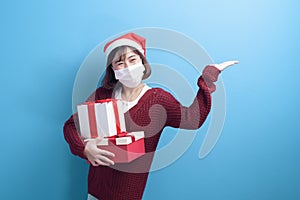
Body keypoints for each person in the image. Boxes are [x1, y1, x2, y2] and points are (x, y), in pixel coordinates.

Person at [63, 32, 238, 200]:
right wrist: (84, 148)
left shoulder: (158, 100)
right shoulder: (102, 94)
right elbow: (71, 126)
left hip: (126, 195)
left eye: (133, 60)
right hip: (95, 190)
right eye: (120, 62)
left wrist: (207, 80)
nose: (128, 67)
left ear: (143, 63)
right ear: (113, 69)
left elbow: (193, 118)